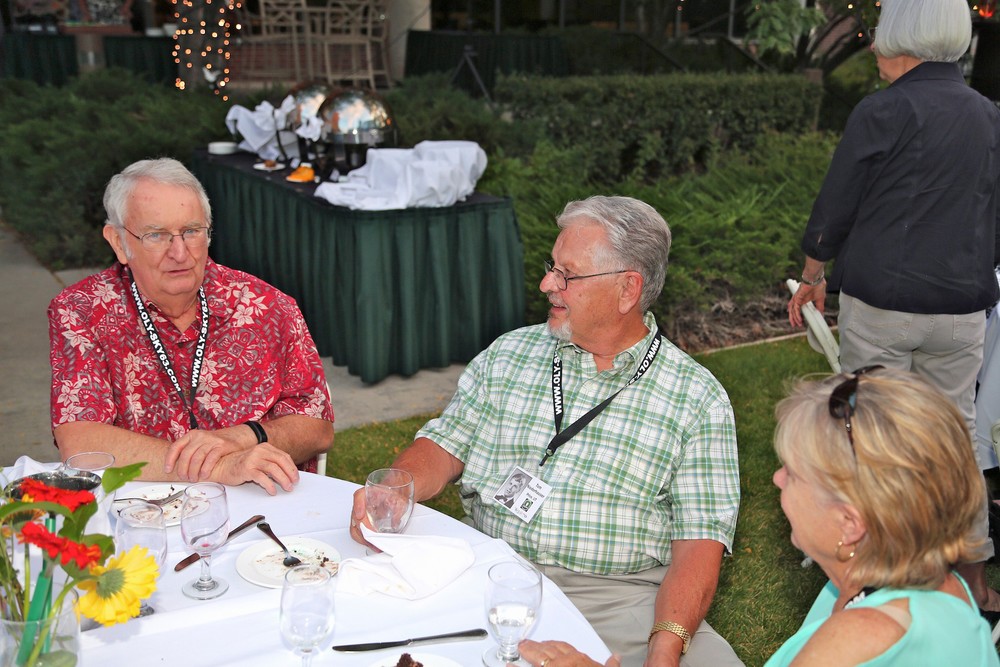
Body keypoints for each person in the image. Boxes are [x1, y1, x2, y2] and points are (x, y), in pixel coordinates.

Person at [349, 195, 742, 667]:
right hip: (490, 572)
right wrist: (397, 488)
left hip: (616, 599)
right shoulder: (509, 354)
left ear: (627, 289)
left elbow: (699, 544)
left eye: (567, 275)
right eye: (551, 267)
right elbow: (445, 443)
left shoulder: (696, 397)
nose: (546, 284)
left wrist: (664, 649)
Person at [517, 367, 999, 667]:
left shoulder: (858, 639)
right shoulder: (938, 588)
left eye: (794, 473)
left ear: (850, 524)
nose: (776, 479)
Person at [786, 0, 1000, 613]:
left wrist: (812, 273)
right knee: (956, 439)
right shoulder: (989, 115)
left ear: (903, 38)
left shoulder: (882, 110)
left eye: (880, 34)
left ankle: (873, 578)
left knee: (869, 435)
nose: (874, 45)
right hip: (961, 310)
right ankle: (973, 580)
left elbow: (837, 204)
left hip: (883, 305)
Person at [48, 158, 334, 495]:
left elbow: (318, 429)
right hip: (141, 506)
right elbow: (80, 442)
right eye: (156, 235)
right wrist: (218, 467)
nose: (180, 253)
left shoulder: (268, 306)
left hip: (261, 502)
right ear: (118, 242)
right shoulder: (81, 310)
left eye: (191, 231)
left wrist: (246, 435)